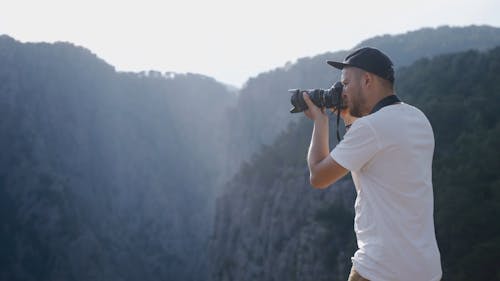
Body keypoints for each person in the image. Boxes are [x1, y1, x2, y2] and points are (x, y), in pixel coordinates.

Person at [302, 47, 442, 281]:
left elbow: (318, 176)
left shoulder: (371, 128)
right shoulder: (418, 118)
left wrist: (320, 121)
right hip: (425, 269)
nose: (341, 91)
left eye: (345, 84)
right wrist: (348, 120)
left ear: (367, 80)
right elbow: (371, 181)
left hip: (380, 271)